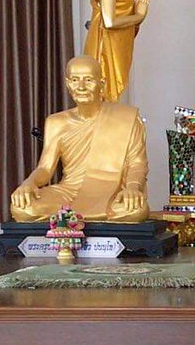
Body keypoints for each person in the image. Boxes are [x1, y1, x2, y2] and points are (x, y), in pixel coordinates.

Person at [10, 55, 149, 222]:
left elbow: (137, 163)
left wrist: (133, 187)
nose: (81, 87)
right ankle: (76, 217)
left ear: (102, 84)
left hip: (109, 194)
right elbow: (45, 169)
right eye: (75, 80)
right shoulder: (56, 122)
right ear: (68, 84)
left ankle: (73, 218)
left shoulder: (125, 118)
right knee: (22, 208)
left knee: (134, 209)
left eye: (88, 80)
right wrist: (29, 183)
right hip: (66, 193)